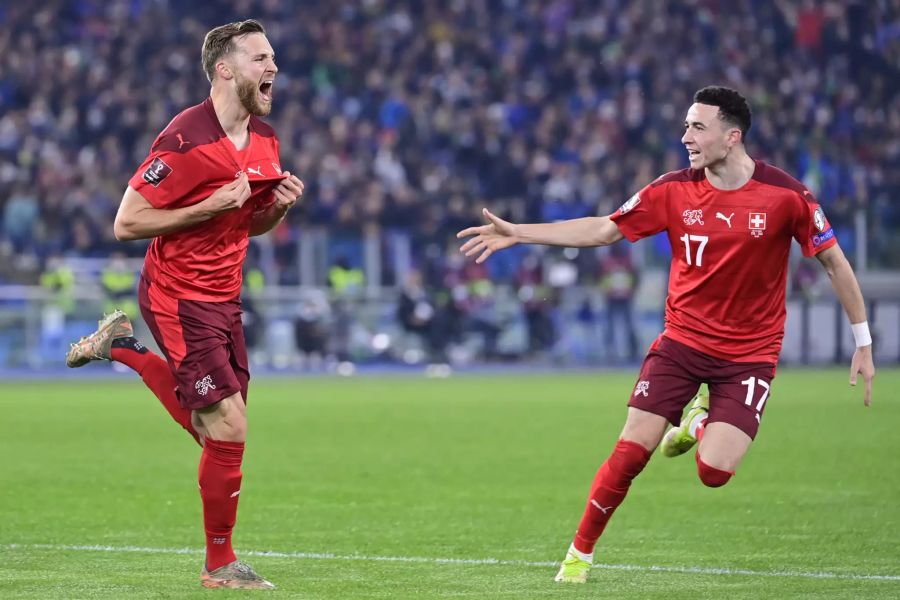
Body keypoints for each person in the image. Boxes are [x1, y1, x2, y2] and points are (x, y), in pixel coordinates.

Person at [457, 86, 876, 584]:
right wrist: (520, 232)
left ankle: (696, 423)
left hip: (749, 355)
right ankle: (578, 555)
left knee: (714, 472)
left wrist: (863, 340)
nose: (686, 138)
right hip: (681, 343)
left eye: (697, 128)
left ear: (732, 136)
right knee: (632, 449)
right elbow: (604, 230)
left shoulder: (787, 196)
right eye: (685, 127)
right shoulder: (671, 190)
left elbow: (833, 261)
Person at [65, 20, 303, 590]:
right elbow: (127, 223)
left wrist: (280, 209)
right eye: (260, 58)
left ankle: (120, 346)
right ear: (225, 69)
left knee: (217, 432)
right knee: (228, 428)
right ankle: (220, 566)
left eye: (272, 58)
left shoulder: (266, 139)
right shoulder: (182, 139)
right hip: (177, 294)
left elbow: (251, 222)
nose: (273, 68)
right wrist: (207, 205)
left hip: (225, 298)